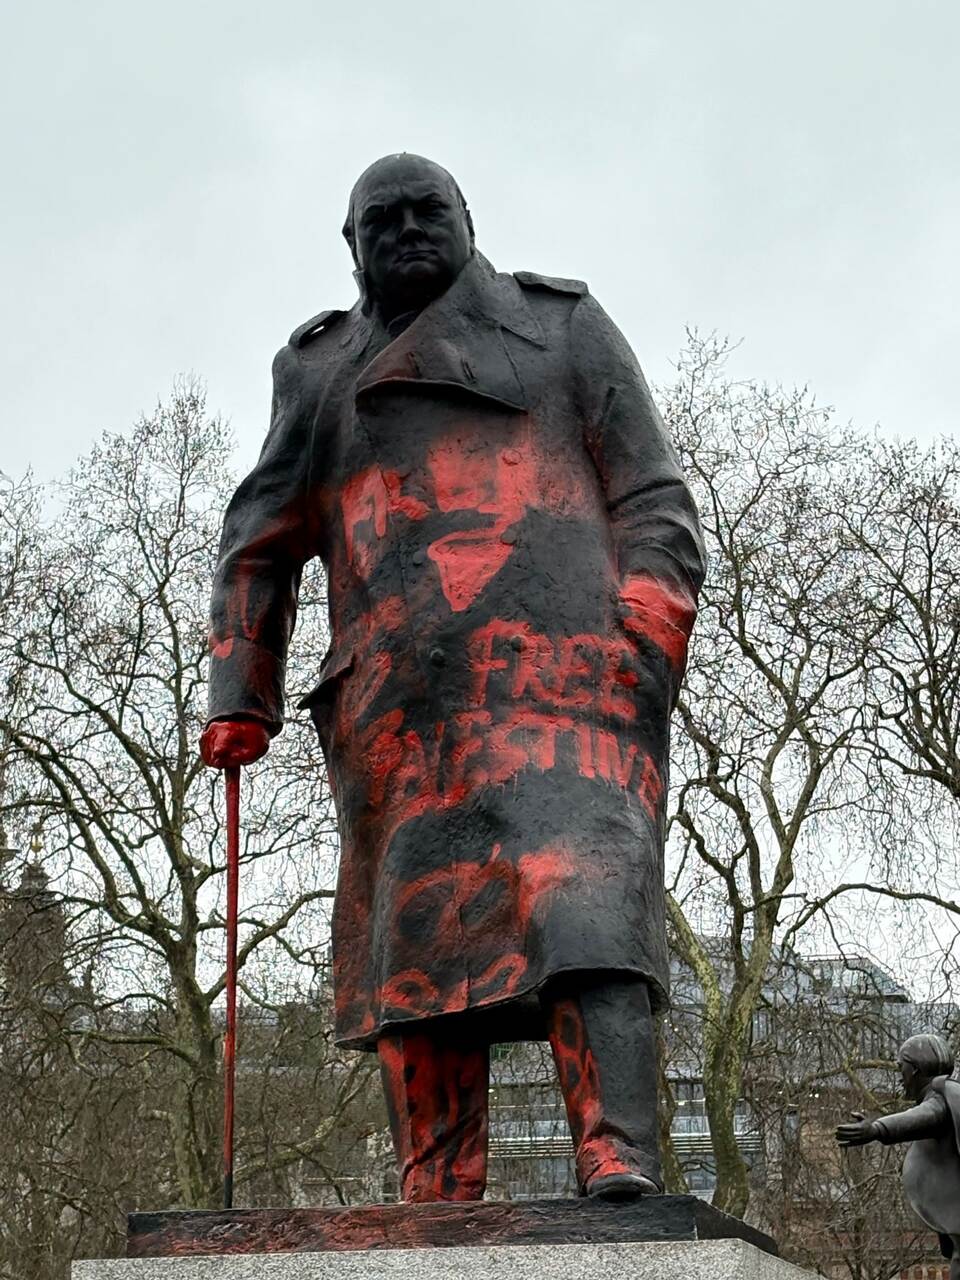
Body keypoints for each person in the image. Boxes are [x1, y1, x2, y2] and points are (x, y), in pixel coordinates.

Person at [201, 153, 706, 1202]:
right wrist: (241, 693)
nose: (406, 230)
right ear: (350, 247)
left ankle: (616, 1150)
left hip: (568, 686)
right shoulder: (318, 371)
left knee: (585, 900)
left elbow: (654, 497)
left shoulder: (563, 328)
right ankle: (435, 1183)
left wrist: (643, 644)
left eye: (427, 210)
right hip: (402, 713)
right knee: (418, 941)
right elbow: (258, 540)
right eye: (379, 220)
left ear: (469, 217)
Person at [836, 1033, 960, 1276]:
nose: (899, 1076)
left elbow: (926, 1116)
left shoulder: (943, 1098)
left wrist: (876, 1129)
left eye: (900, 1067)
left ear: (914, 1070)